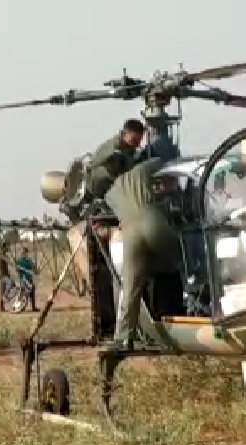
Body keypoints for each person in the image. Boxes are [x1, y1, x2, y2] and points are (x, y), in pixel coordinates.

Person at [104, 157, 181, 350]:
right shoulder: (140, 171)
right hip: (151, 221)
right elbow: (165, 162)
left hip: (129, 232)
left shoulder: (110, 193)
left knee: (130, 286)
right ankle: (199, 307)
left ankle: (123, 337)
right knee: (186, 260)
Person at [86, 119, 146, 199]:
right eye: (134, 140)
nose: (137, 145)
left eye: (139, 141)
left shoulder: (127, 145)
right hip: (97, 185)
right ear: (124, 134)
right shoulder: (115, 151)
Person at [15, 247, 38, 312]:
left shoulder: (27, 261)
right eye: (24, 252)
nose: (24, 254)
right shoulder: (21, 261)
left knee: (29, 293)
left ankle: (32, 307)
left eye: (25, 252)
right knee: (23, 294)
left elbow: (35, 270)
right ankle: (21, 307)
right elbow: (17, 270)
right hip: (23, 280)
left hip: (27, 279)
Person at [0, 245, 12, 312]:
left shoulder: (3, 256)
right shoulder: (2, 256)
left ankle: (2, 307)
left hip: (3, 275)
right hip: (3, 275)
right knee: (10, 283)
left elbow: (6, 267)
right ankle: (6, 296)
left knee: (2, 291)